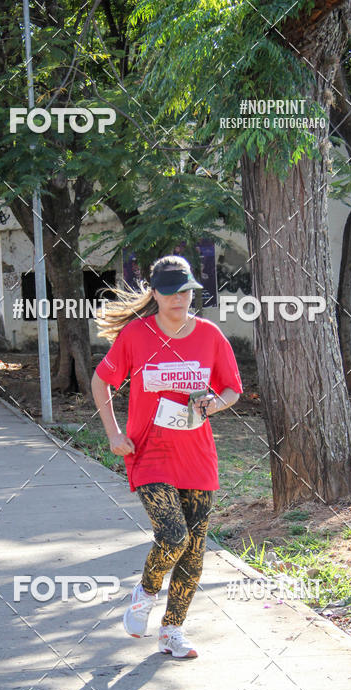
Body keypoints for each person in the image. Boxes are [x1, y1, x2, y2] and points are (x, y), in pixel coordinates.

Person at [92, 255, 242, 659]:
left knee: (194, 550)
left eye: (188, 290)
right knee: (174, 535)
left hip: (197, 456)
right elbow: (100, 381)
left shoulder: (210, 335)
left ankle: (172, 631)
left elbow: (232, 388)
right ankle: (144, 593)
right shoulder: (136, 336)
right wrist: (113, 434)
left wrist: (216, 403)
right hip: (149, 453)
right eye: (173, 291)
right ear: (155, 293)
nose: (182, 298)